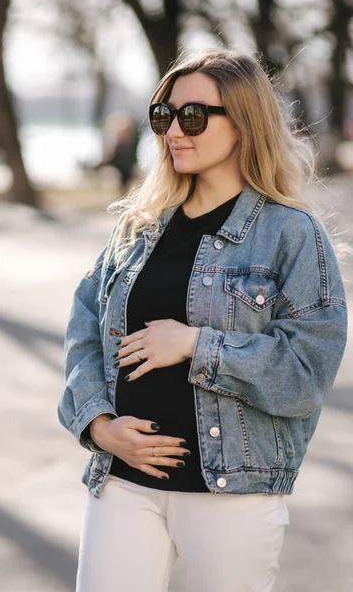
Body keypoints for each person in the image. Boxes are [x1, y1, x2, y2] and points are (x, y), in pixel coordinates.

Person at [58, 49, 348, 592]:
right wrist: (97, 424)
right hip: (122, 482)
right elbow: (83, 332)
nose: (174, 131)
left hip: (231, 495)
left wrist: (196, 344)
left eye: (193, 116)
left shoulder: (290, 235)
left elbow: (305, 375)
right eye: (164, 115)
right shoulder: (138, 229)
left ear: (244, 122)